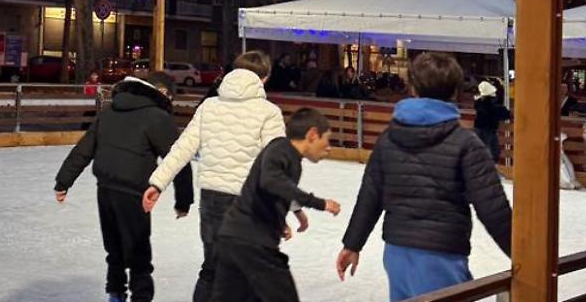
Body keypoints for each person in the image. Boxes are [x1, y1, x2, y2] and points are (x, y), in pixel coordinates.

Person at [337, 52, 512, 302]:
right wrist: (524, 256)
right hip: (441, 255)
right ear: (455, 92)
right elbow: (492, 207)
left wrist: (352, 244)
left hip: (397, 254)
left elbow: (370, 195)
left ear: (412, 89)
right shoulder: (466, 143)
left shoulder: (388, 138)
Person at [141, 50, 286, 302]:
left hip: (212, 199)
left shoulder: (209, 106)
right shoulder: (268, 112)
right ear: (264, 78)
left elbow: (182, 148)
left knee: (212, 267)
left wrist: (157, 182)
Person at [54, 73, 193, 302]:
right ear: (162, 93)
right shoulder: (157, 117)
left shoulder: (109, 112)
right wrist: (184, 200)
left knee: (115, 248)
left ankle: (115, 293)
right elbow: (176, 159)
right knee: (138, 252)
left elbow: (84, 149)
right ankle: (140, 297)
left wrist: (63, 181)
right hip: (134, 192)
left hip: (106, 189)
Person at [211, 108, 342, 302]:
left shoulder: (287, 155)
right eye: (327, 139)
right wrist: (318, 203)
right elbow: (271, 181)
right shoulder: (281, 148)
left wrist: (279, 221)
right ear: (313, 134)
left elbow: (271, 190)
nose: (328, 147)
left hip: (234, 238)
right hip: (252, 243)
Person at [473, 81, 512, 164]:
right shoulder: (494, 107)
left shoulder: (478, 104)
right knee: (493, 152)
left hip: (478, 129)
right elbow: (506, 114)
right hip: (489, 131)